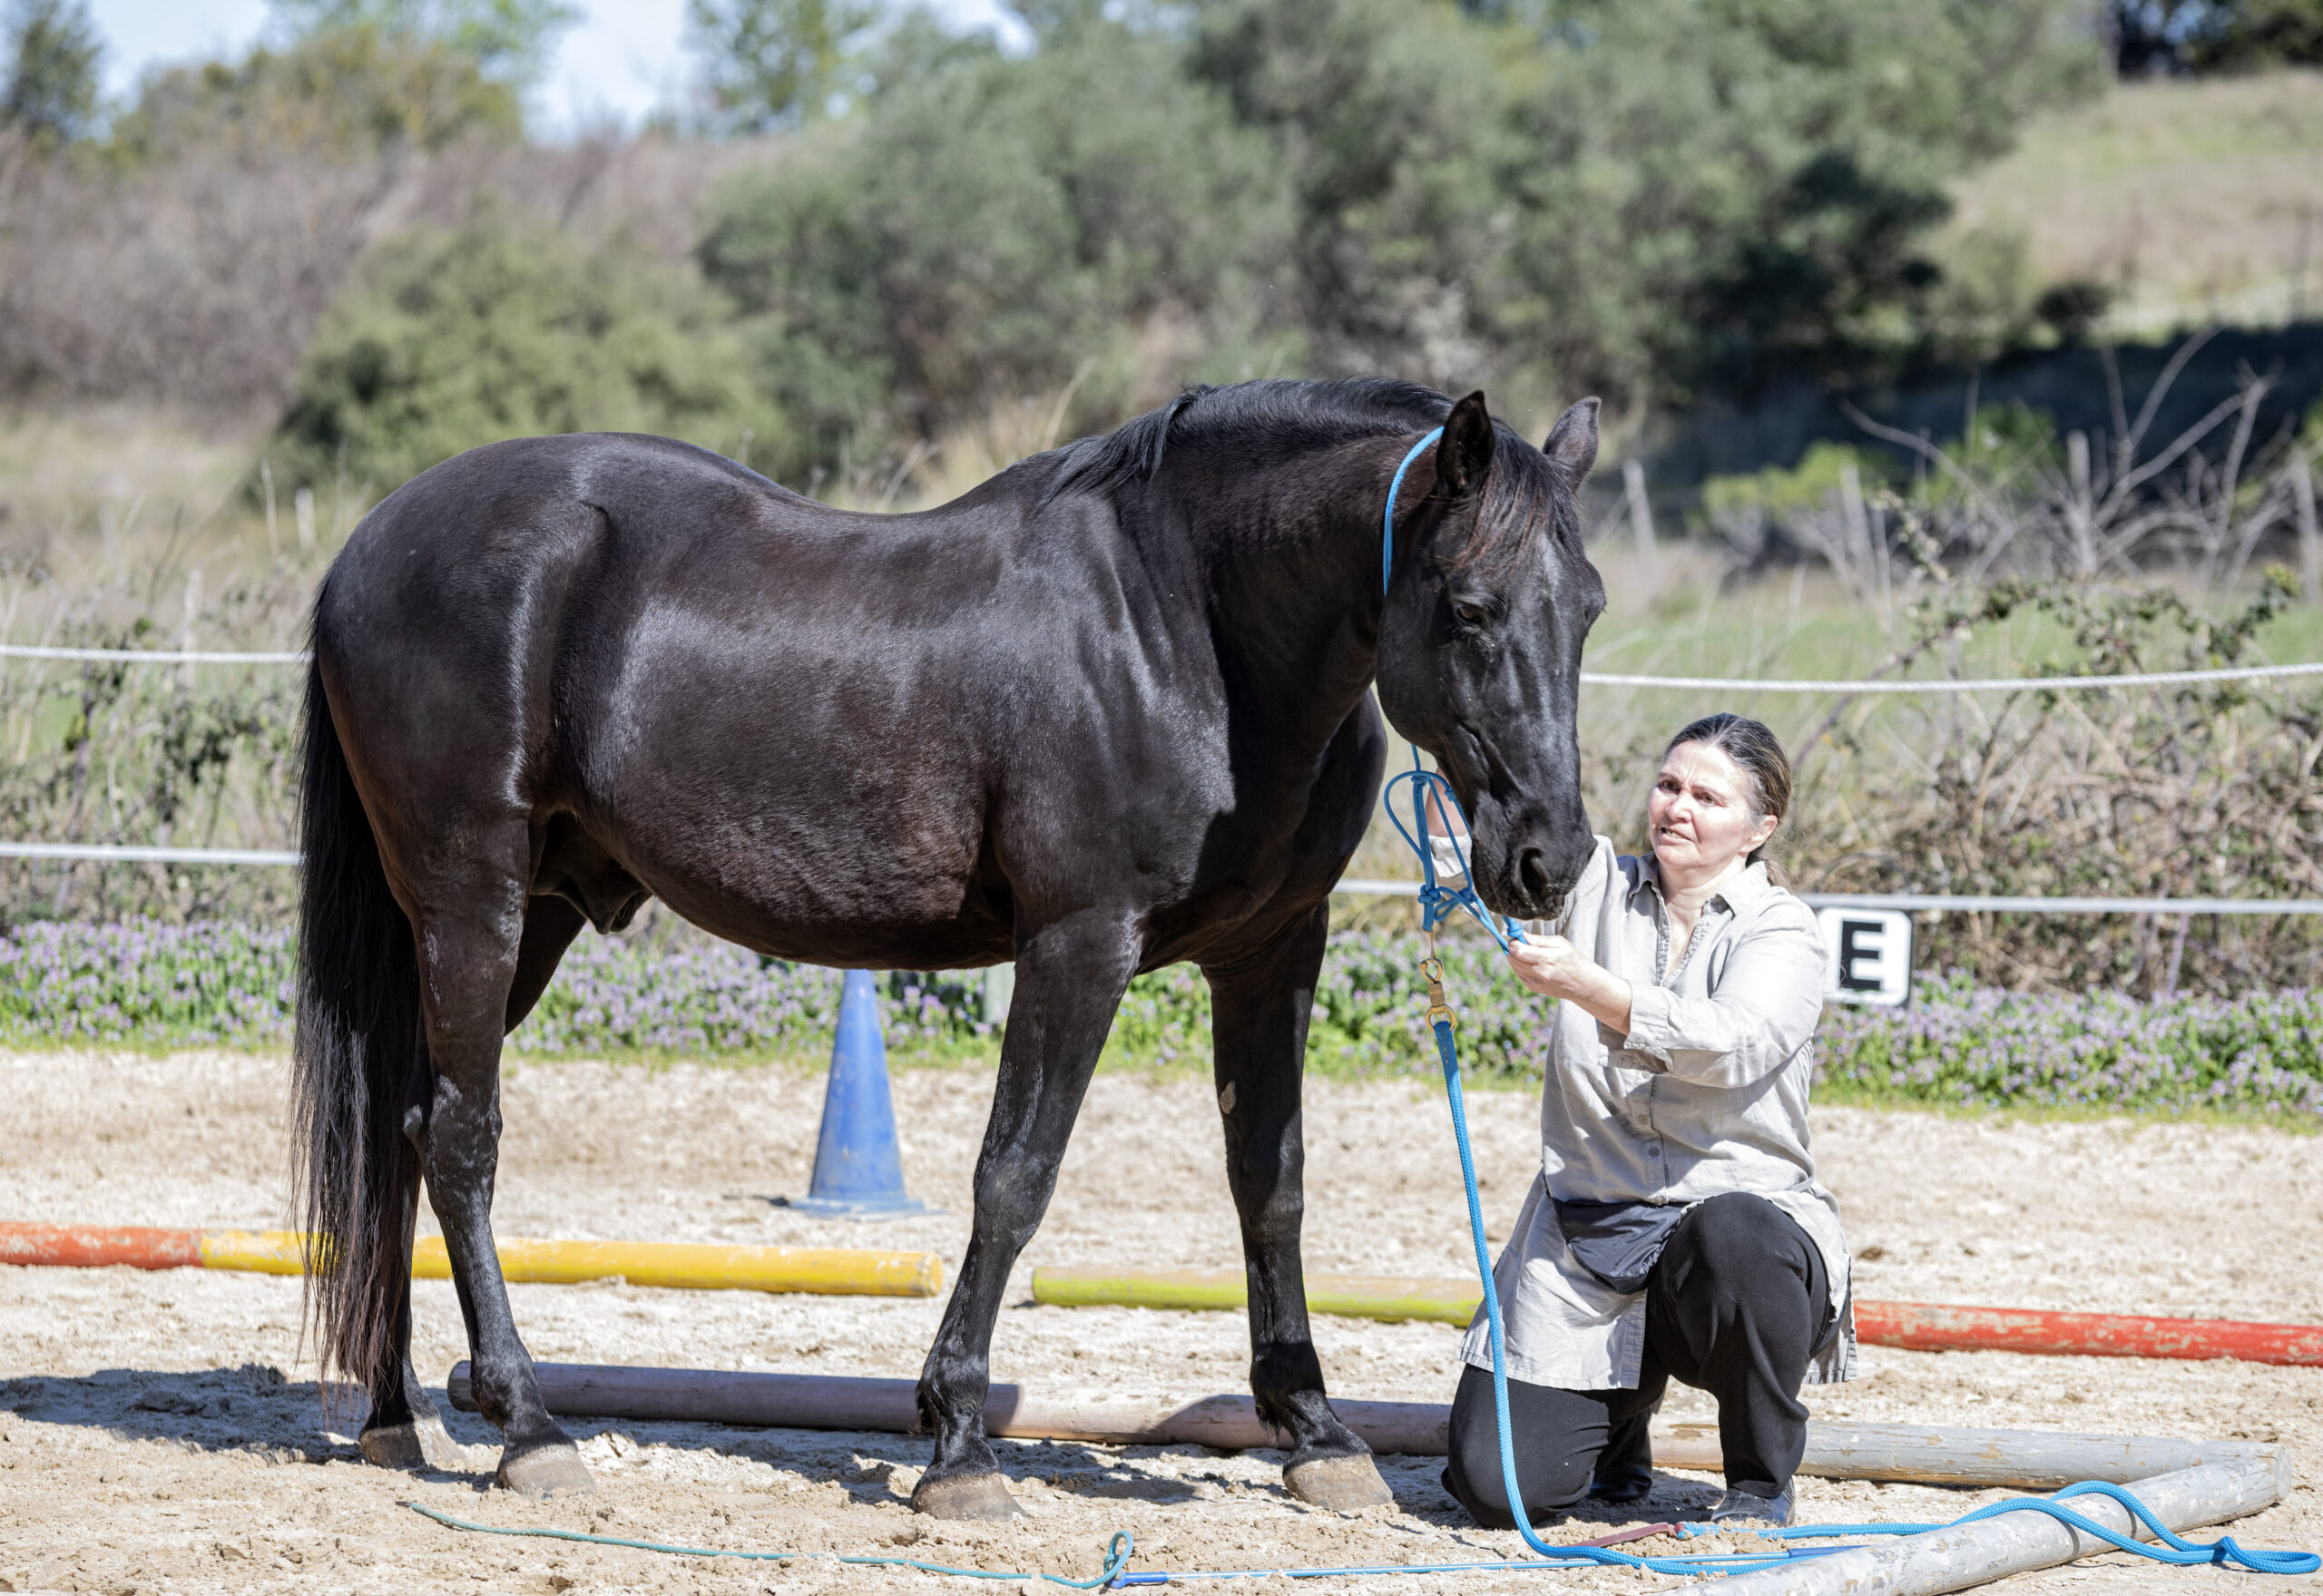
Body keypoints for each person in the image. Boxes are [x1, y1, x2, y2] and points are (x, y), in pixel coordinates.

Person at [1434, 712, 1851, 1531]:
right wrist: (1460, 803)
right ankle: (1620, 1419)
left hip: (1728, 1241)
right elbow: (1496, 861)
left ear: (1760, 828)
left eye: (1706, 795)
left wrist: (1594, 989)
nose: (1677, 807)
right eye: (1668, 785)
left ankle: (1761, 1482)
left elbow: (1732, 1043)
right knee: (1494, 1485)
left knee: (1737, 1235)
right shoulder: (1590, 880)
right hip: (1589, 1233)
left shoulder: (1785, 930)